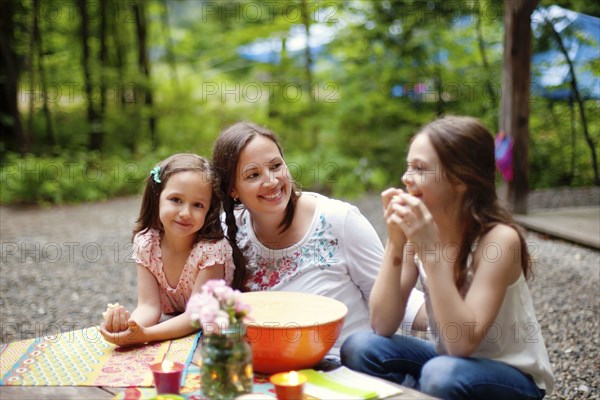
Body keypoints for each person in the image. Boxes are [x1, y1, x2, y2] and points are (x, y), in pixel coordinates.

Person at [340, 116, 554, 399]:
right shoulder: (421, 231)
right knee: (360, 347)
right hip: (450, 362)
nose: (406, 178)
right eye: (408, 167)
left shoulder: (498, 240)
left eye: (419, 168)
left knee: (440, 374)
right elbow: (382, 323)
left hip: (512, 378)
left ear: (460, 179)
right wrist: (395, 241)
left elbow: (462, 344)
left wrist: (430, 252)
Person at [211, 121, 427, 361]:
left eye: (276, 166)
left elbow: (392, 295)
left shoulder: (338, 220)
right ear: (233, 189)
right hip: (270, 371)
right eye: (253, 175)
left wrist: (461, 322)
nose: (271, 181)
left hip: (347, 367)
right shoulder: (228, 230)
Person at [100, 153, 236, 346]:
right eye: (176, 199)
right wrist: (129, 328)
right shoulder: (148, 244)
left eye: (198, 205)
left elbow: (194, 316)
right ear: (157, 198)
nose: (185, 213)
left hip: (213, 330)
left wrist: (145, 335)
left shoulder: (211, 251)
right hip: (172, 326)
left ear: (209, 211)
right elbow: (148, 307)